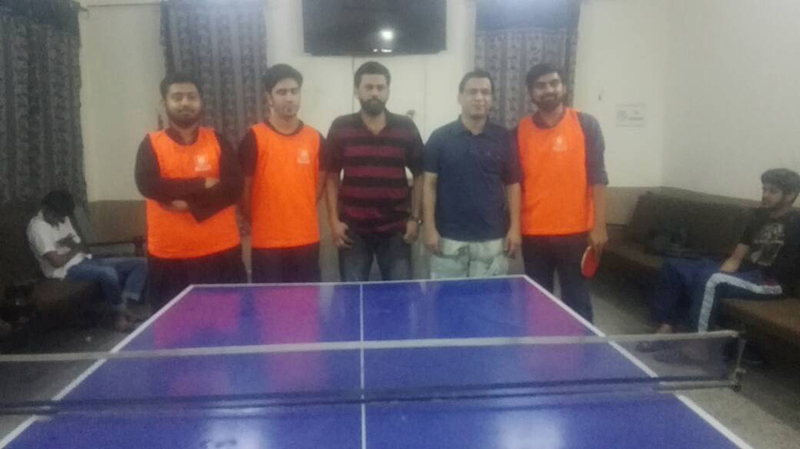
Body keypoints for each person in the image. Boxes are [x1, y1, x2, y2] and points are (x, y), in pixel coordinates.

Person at [135, 73, 246, 308]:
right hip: (169, 257)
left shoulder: (217, 140)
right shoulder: (151, 143)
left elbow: (234, 187)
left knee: (229, 325)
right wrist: (201, 183)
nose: (185, 102)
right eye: (177, 97)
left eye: (191, 97)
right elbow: (149, 185)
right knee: (173, 328)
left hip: (221, 253)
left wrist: (190, 204)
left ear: (201, 101)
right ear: (165, 103)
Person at [646, 169, 800, 336]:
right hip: (746, 273)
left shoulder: (796, 222)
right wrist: (717, 273)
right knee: (674, 266)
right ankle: (666, 325)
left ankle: (698, 344)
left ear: (790, 195)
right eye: (764, 189)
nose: (765, 195)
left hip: (772, 282)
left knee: (711, 279)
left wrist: (711, 277)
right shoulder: (758, 216)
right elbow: (736, 258)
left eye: (773, 191)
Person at [516, 63, 609, 321]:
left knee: (577, 303)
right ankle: (540, 347)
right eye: (540, 85)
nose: (548, 90)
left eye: (554, 83)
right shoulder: (520, 131)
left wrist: (600, 226)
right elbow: (514, 184)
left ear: (564, 87)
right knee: (537, 305)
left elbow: (598, 177)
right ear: (530, 92)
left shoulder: (586, 124)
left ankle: (581, 347)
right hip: (533, 233)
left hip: (576, 233)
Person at [324, 61, 424, 281]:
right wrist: (333, 221)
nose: (375, 93)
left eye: (380, 87)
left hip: (396, 230)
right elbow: (331, 176)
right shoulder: (340, 127)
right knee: (353, 295)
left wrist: (415, 219)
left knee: (399, 294)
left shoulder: (405, 126)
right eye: (368, 87)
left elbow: (420, 174)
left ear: (388, 91)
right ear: (356, 90)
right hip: (352, 231)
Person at [423, 70, 522, 278]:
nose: (479, 97)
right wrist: (429, 228)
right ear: (460, 97)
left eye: (485, 92)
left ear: (492, 98)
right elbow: (429, 185)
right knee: (447, 297)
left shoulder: (504, 138)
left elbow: (513, 185)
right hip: (448, 239)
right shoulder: (440, 137)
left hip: (493, 239)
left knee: (490, 298)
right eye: (472, 92)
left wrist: (515, 228)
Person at [239, 64, 325, 283]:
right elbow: (243, 191)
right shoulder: (254, 138)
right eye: (282, 92)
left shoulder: (315, 138)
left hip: (306, 240)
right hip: (267, 244)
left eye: (294, 91)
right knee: (268, 304)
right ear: (269, 98)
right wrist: (259, 219)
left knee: (307, 303)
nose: (289, 98)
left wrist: (300, 209)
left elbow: (318, 186)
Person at [26, 190, 147, 331]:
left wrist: (74, 247)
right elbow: (57, 262)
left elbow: (80, 245)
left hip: (85, 260)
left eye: (62, 218)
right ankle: (120, 318)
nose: (60, 221)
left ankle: (124, 308)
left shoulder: (63, 218)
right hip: (65, 271)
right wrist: (74, 248)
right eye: (57, 217)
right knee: (108, 273)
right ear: (46, 208)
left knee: (141, 264)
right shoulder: (38, 228)